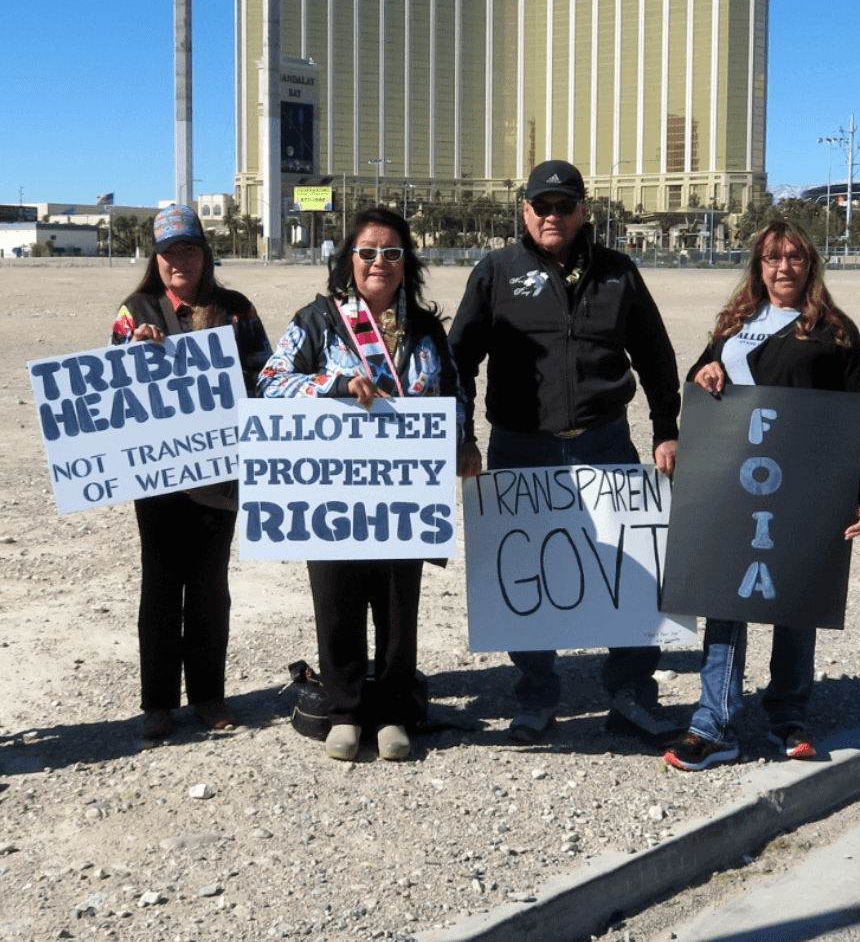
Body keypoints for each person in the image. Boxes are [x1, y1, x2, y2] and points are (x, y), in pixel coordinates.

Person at [449, 160, 681, 746]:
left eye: (563, 205)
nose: (552, 215)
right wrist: (463, 434)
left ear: (583, 211)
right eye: (541, 205)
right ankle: (535, 697)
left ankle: (631, 693)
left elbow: (655, 355)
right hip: (520, 445)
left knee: (633, 572)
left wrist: (665, 428)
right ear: (524, 211)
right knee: (523, 573)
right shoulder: (496, 271)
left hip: (605, 441)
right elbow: (459, 359)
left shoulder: (618, 273)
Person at [663, 219, 860, 771]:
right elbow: (701, 381)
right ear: (758, 266)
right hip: (736, 485)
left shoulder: (833, 330)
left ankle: (789, 715)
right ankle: (714, 723)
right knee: (724, 603)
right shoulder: (735, 324)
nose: (784, 268)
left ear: (811, 265)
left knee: (795, 600)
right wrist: (705, 368)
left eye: (795, 258)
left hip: (804, 489)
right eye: (772, 258)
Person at [258, 207, 465, 762]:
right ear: (348, 260)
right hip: (333, 488)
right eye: (368, 252)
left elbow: (453, 391)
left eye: (392, 252)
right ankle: (345, 710)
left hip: (403, 488)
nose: (380, 262)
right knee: (337, 597)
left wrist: (463, 441)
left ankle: (395, 709)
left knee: (399, 601)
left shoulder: (425, 328)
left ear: (407, 262)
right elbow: (271, 382)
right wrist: (335, 385)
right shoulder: (317, 320)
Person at [111, 204, 271, 740]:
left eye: (188, 249)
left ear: (204, 255)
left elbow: (266, 377)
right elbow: (107, 393)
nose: (178, 260)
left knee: (208, 587)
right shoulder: (135, 311)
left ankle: (208, 696)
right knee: (159, 585)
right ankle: (157, 702)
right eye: (168, 252)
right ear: (155, 260)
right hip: (155, 477)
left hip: (219, 475)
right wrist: (130, 358)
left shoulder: (236, 309)